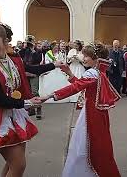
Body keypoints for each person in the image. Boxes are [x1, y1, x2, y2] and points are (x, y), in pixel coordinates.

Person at [0, 23, 61, 177]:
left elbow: (31, 69)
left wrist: (54, 65)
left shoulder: (13, 60)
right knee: (18, 165)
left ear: (5, 41)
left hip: (15, 113)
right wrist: (28, 102)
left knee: (12, 163)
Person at [40, 43, 121, 177]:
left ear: (96, 58)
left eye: (87, 56)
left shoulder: (92, 73)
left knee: (87, 145)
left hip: (91, 114)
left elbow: (76, 87)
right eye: (84, 55)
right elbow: (81, 85)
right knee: (92, 143)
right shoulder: (98, 72)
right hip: (96, 113)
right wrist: (69, 73)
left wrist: (50, 95)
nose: (84, 58)